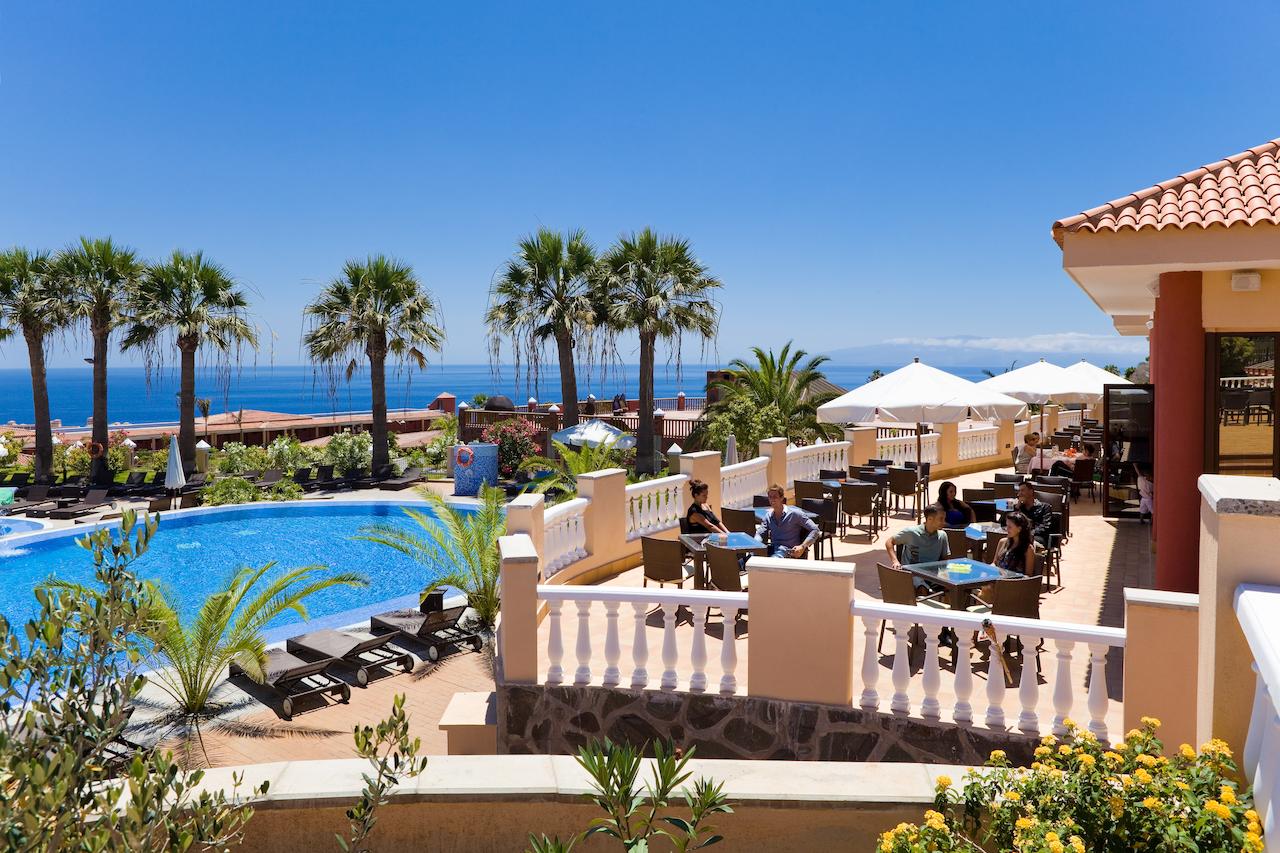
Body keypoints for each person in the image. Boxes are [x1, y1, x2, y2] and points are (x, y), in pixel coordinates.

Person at [755, 483, 819, 558]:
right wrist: (755, 544)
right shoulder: (768, 516)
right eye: (770, 497)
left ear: (781, 498)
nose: (772, 500)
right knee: (749, 558)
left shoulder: (795, 514)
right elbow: (760, 533)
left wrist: (802, 546)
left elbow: (815, 529)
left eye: (775, 497)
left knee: (773, 561)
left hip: (788, 551)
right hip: (773, 549)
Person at [886, 503, 951, 567]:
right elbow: (889, 542)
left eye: (944, 519)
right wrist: (895, 561)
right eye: (941, 519)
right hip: (910, 571)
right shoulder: (911, 532)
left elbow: (945, 558)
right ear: (930, 519)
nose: (944, 522)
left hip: (931, 572)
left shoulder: (942, 536)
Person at [993, 511, 1036, 576]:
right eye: (1006, 526)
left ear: (1019, 529)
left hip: (1014, 581)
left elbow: (1028, 575)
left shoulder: (1028, 549)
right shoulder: (1002, 542)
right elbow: (994, 563)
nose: (1006, 529)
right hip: (998, 578)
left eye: (1010, 527)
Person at [1014, 480, 1053, 548]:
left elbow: (1046, 526)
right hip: (1021, 536)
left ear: (1031, 492)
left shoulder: (1045, 507)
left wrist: (1029, 533)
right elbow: (1009, 522)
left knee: (1022, 542)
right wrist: (1017, 508)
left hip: (1038, 538)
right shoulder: (1019, 507)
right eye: (1019, 491)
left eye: (1022, 490)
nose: (1019, 494)